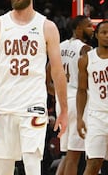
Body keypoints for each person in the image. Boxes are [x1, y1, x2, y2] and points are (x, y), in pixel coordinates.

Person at [0, 0, 68, 175]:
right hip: (4, 106)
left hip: (33, 105)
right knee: (3, 168)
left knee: (32, 164)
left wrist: (63, 109)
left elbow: (57, 71)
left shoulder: (47, 26)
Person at [48, 15, 94, 175]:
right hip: (79, 101)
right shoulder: (85, 49)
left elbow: (46, 80)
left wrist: (60, 94)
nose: (92, 29)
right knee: (75, 155)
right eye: (89, 26)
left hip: (62, 101)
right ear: (78, 29)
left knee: (68, 153)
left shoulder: (59, 47)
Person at [77, 20, 108, 175]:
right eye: (103, 32)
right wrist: (79, 118)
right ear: (96, 35)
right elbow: (81, 91)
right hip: (96, 116)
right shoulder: (86, 59)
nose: (107, 36)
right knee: (94, 163)